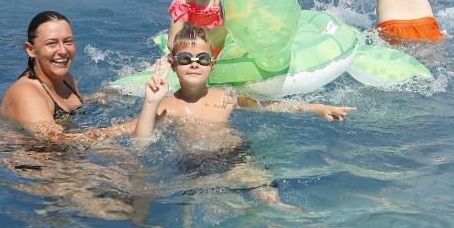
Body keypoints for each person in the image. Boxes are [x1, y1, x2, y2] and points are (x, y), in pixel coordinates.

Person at [144, 25, 355, 209]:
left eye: (202, 59)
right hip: (196, 165)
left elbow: (271, 106)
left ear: (213, 65)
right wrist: (151, 103)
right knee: (213, 208)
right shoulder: (166, 107)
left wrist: (316, 108)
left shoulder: (227, 97)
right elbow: (139, 136)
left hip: (237, 156)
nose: (194, 64)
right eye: (185, 59)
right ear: (173, 65)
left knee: (271, 201)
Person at [0, 11, 167, 141]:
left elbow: (77, 105)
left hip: (61, 156)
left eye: (68, 41)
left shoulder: (67, 79)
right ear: (30, 49)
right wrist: (129, 126)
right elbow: (56, 139)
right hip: (32, 167)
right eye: (51, 43)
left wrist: (117, 95)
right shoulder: (27, 93)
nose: (63, 50)